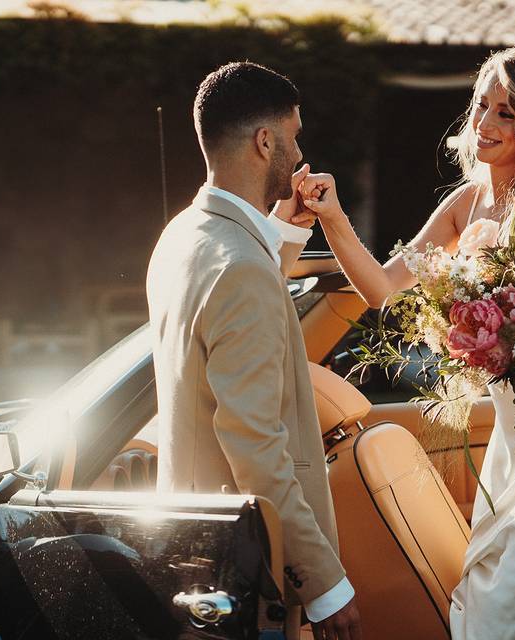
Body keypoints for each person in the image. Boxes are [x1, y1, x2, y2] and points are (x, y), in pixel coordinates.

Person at [294, 46, 515, 639]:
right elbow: (383, 290)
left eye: (508, 113)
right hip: (512, 418)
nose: (485, 124)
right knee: (489, 570)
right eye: (481, 106)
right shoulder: (464, 203)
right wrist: (333, 218)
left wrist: (496, 334)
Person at [146, 62, 361, 640]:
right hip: (243, 569)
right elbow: (256, 448)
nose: (298, 153)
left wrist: (284, 234)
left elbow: (235, 300)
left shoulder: (183, 235)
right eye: (293, 137)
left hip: (191, 540)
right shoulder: (241, 269)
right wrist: (323, 583)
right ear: (266, 142)